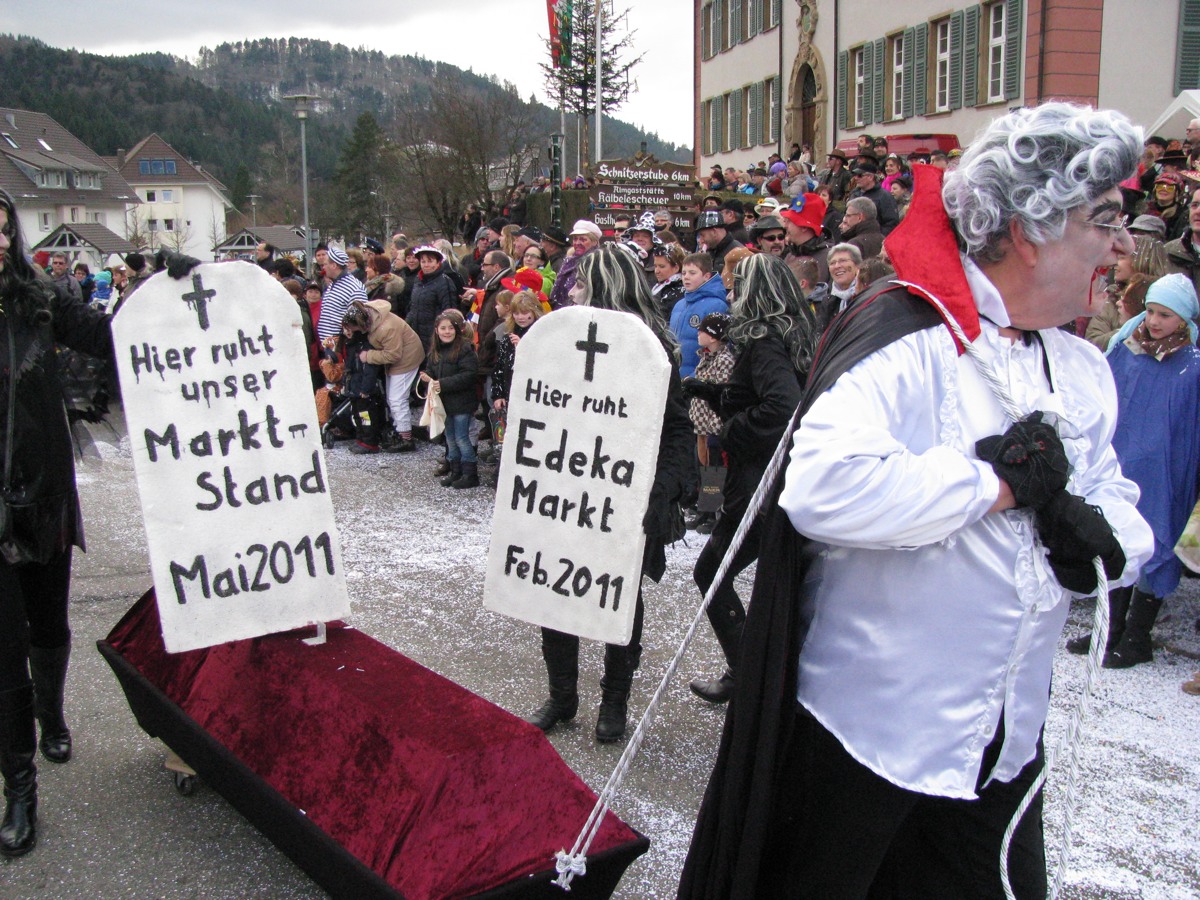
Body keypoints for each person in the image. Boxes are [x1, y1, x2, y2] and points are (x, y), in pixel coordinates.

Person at [679, 102, 1154, 900]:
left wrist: (1096, 542)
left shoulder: (1080, 367)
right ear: (1030, 229)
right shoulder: (910, 339)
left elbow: (1118, 501)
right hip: (866, 739)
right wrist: (997, 485)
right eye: (1104, 220)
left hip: (1002, 743)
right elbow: (824, 488)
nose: (1124, 246)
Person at [527, 244, 694, 743]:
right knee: (553, 590)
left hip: (624, 495)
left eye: (581, 282)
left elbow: (675, 427)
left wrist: (663, 490)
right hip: (567, 488)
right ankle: (562, 696)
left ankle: (614, 699)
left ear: (605, 287)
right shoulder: (564, 340)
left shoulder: (651, 349)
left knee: (619, 598)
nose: (572, 290)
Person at [0, 188, 114, 855]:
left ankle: (52, 713)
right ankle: (20, 788)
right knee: (4, 647)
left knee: (48, 625)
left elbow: (112, 337)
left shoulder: (40, 299)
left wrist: (170, 289)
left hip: (43, 492)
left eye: (2, 229)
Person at [683, 254, 815, 704]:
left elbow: (782, 407)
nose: (731, 294)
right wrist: (710, 392)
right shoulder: (792, 333)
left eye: (737, 286)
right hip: (775, 479)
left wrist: (732, 430)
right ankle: (756, 674)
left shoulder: (765, 341)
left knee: (711, 572)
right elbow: (760, 395)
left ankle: (746, 674)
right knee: (768, 582)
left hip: (758, 484)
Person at [1065, 274, 1200, 668]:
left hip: (1166, 470)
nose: (1154, 321)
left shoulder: (1192, 366)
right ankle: (1110, 627)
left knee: (1156, 542)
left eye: (1166, 315)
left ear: (1184, 319)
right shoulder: (1127, 350)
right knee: (1117, 535)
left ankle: (1138, 635)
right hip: (1124, 460)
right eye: (1151, 311)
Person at [422, 310, 480, 489]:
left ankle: (470, 473)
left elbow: (469, 375)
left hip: (462, 401)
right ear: (437, 330)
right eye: (443, 328)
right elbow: (431, 369)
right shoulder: (435, 350)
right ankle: (456, 471)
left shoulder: (464, 349)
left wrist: (442, 384)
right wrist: (427, 377)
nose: (447, 332)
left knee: (462, 438)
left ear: (457, 330)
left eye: (450, 328)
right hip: (444, 402)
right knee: (450, 438)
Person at [1084, 236, 1168, 351]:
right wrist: (1129, 331)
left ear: (1141, 261)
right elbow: (1092, 343)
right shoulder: (1111, 296)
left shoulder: (1168, 300)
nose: (1114, 263)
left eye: (1121, 258)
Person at [671, 253, 729, 379]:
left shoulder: (716, 305)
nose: (686, 277)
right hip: (674, 376)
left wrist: (694, 377)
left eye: (692, 273)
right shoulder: (679, 305)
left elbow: (717, 348)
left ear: (706, 276)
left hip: (699, 378)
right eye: (684, 273)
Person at [651, 244, 686, 322]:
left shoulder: (677, 292)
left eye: (662, 266)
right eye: (655, 266)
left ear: (676, 268)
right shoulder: (661, 286)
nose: (657, 271)